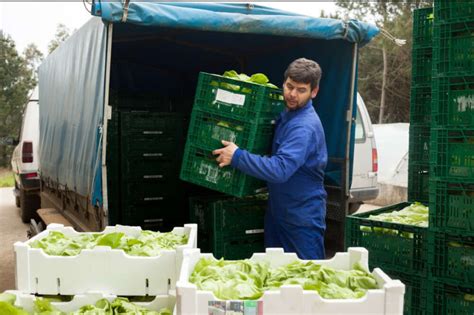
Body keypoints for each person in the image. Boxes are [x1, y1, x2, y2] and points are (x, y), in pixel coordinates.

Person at [212, 58, 328, 259]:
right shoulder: (288, 115)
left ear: (314, 92)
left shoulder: (303, 126)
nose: (292, 94)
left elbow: (280, 169)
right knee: (276, 276)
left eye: (301, 90)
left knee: (307, 278)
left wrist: (238, 156)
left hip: (301, 217)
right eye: (289, 86)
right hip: (278, 212)